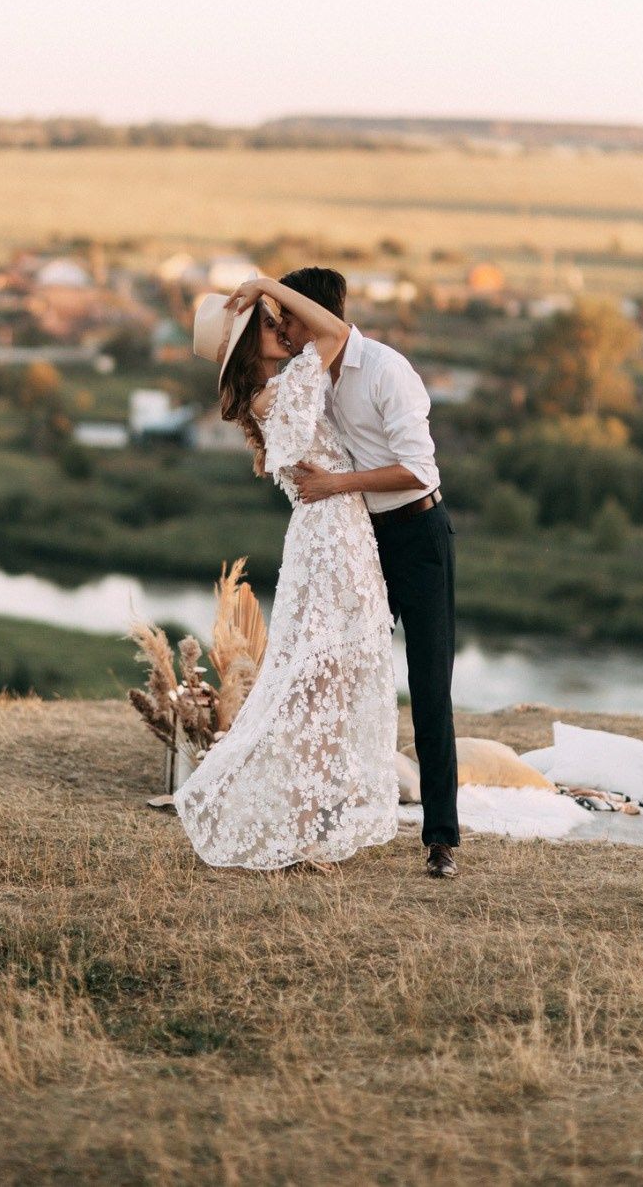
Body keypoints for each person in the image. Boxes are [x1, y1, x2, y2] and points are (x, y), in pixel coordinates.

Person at [174, 278, 398, 871]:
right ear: (249, 345)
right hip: (329, 541)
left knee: (330, 687)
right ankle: (300, 836)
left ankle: (307, 830)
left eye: (276, 317)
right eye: (267, 323)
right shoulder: (280, 392)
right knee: (317, 692)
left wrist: (266, 293)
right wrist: (267, 284)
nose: (280, 327)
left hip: (335, 536)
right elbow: (338, 332)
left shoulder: (276, 391)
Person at [275, 267, 459, 880]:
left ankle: (440, 842)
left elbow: (419, 469)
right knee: (340, 678)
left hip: (419, 535)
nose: (283, 329)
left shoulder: (386, 370)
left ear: (317, 316)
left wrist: (335, 484)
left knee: (429, 688)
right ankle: (327, 822)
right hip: (360, 541)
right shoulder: (309, 377)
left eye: (290, 318)